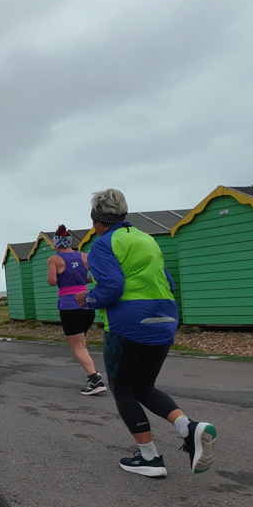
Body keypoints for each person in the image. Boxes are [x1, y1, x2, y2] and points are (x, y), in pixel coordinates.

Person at [77, 189, 216, 478]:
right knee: (144, 386)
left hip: (129, 324)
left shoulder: (103, 244)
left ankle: (150, 458)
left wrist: (88, 299)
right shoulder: (146, 239)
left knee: (123, 389)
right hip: (165, 318)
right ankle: (189, 428)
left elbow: (112, 288)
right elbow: (168, 283)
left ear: (95, 220)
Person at [46, 224, 106, 396]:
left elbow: (51, 281)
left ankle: (95, 380)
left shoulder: (54, 260)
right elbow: (92, 277)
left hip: (69, 306)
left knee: (78, 346)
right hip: (87, 304)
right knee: (81, 344)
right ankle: (92, 374)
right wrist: (80, 279)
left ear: (56, 244)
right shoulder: (85, 256)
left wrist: (61, 277)